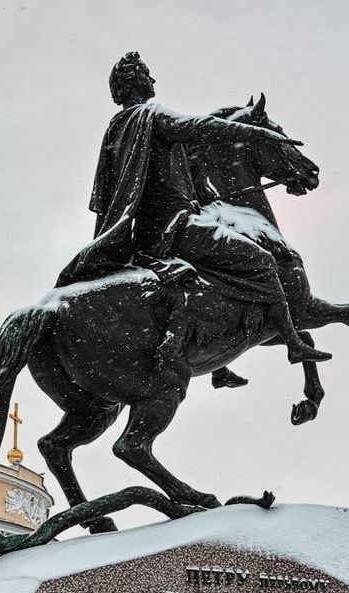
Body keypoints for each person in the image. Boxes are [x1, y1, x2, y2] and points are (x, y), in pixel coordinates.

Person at [56, 51, 330, 365]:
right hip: (175, 225)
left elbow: (103, 196)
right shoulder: (150, 115)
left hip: (140, 233)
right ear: (133, 83)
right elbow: (199, 127)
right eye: (147, 73)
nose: (153, 79)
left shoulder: (116, 129)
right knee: (263, 261)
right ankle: (293, 343)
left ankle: (217, 358)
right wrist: (255, 132)